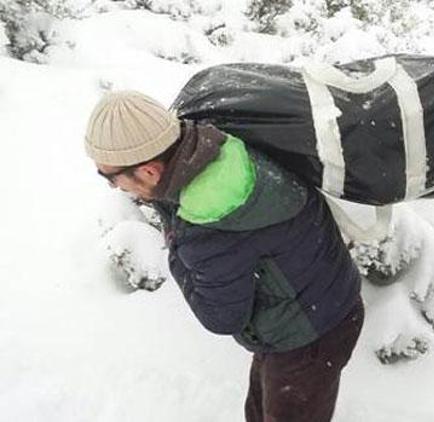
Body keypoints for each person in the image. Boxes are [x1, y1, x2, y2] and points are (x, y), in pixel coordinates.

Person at [84, 90, 363, 422]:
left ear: (148, 171)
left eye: (110, 177)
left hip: (309, 336)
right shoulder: (215, 148)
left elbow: (220, 318)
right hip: (312, 304)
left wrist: (176, 252)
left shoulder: (209, 225)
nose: (114, 188)